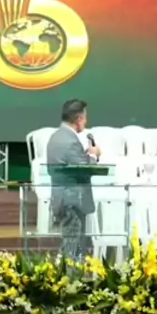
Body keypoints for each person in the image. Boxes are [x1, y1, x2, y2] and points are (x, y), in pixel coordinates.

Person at [46, 99, 101, 260]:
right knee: (73, 251)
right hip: (73, 202)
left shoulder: (56, 136)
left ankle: (69, 272)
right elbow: (85, 171)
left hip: (64, 199)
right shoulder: (70, 141)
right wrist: (93, 155)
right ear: (78, 119)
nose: (86, 121)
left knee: (71, 246)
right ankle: (72, 275)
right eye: (85, 117)